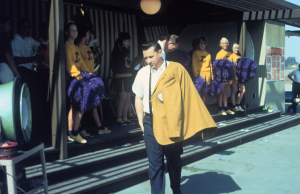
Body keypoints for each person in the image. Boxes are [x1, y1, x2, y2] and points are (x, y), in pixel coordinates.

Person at [132, 41, 217, 194]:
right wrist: (141, 122)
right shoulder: (142, 73)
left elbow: (190, 95)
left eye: (151, 56)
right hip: (150, 121)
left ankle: (176, 189)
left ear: (160, 53)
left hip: (172, 121)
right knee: (155, 164)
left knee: (174, 161)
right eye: (146, 58)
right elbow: (138, 97)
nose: (148, 61)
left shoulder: (176, 69)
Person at [77, 23, 110, 136]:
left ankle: (99, 127)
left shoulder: (87, 47)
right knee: (81, 105)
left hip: (90, 78)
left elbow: (99, 55)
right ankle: (80, 129)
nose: (89, 35)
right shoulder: (79, 48)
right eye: (88, 33)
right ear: (84, 34)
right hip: (83, 78)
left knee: (94, 103)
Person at [110, 32, 135, 126]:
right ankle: (118, 118)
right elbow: (115, 66)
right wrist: (124, 46)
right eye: (127, 40)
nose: (129, 42)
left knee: (128, 99)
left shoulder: (126, 51)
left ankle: (125, 118)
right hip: (121, 78)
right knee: (122, 99)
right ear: (123, 41)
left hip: (128, 77)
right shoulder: (117, 52)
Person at [215, 37, 235, 115]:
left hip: (229, 76)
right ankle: (220, 108)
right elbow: (216, 65)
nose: (225, 45)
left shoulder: (230, 54)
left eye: (226, 43)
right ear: (220, 45)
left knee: (226, 92)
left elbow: (233, 64)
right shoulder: (219, 54)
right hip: (222, 76)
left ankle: (225, 107)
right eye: (223, 43)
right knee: (221, 92)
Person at [0, 15, 20, 84]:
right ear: (1, 25)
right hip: (2, 66)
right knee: (11, 85)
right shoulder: (2, 38)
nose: (10, 27)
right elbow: (8, 58)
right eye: (8, 24)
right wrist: (18, 76)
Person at [192, 36, 213, 102]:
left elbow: (210, 66)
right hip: (199, 76)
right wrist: (195, 75)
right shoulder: (195, 53)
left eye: (202, 43)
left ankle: (203, 109)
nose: (200, 45)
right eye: (199, 43)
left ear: (205, 44)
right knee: (197, 93)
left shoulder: (208, 55)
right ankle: (197, 110)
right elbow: (193, 64)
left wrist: (211, 76)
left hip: (207, 76)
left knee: (204, 93)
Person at [229, 43, 245, 111]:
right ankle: (233, 106)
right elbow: (230, 67)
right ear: (232, 49)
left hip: (240, 76)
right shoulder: (231, 56)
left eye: (237, 48)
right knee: (233, 91)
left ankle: (238, 104)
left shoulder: (239, 57)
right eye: (235, 48)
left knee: (243, 90)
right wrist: (234, 75)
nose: (236, 49)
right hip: (233, 76)